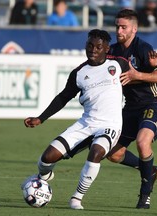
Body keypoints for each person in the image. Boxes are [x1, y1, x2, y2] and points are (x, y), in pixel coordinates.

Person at [23, 29, 131, 210]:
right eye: (90, 45)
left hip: (110, 125)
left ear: (106, 49)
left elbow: (136, 77)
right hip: (86, 123)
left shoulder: (119, 64)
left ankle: (76, 198)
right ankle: (45, 176)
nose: (93, 50)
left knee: (96, 152)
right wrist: (41, 118)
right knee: (46, 159)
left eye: (98, 46)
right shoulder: (79, 73)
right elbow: (63, 97)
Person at [107, 9, 157, 209]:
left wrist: (137, 75)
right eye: (117, 26)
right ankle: (149, 170)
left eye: (123, 27)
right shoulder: (112, 51)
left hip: (152, 103)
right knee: (113, 153)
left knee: (143, 142)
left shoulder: (143, 48)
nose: (119, 30)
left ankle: (145, 195)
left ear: (134, 28)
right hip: (130, 107)